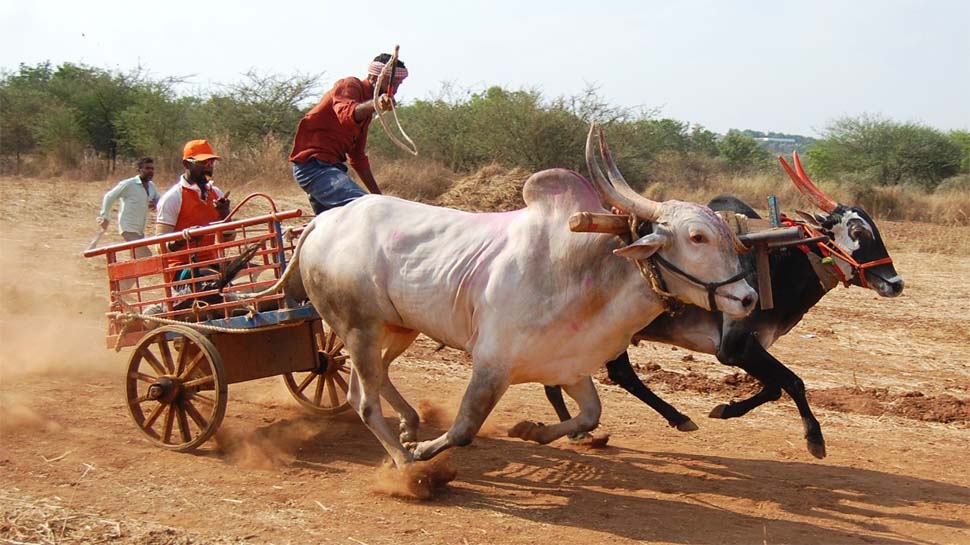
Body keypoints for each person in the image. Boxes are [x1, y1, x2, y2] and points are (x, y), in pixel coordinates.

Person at [289, 52, 408, 214]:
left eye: (398, 85)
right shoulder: (349, 85)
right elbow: (346, 114)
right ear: (374, 77)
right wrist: (375, 104)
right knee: (367, 209)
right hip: (313, 166)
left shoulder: (366, 112)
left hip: (334, 169)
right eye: (391, 83)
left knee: (343, 222)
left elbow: (357, 158)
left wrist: (379, 197)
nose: (394, 91)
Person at [156, 139, 231, 266]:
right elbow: (159, 246)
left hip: (211, 262)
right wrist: (183, 238)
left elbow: (228, 238)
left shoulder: (216, 193)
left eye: (211, 163)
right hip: (181, 266)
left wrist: (225, 215)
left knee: (254, 271)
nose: (208, 167)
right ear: (186, 164)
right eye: (202, 163)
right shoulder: (173, 197)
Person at [97, 157, 159, 258]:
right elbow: (109, 196)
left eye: (152, 169)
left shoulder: (152, 187)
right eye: (147, 168)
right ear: (139, 169)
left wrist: (156, 203)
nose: (150, 171)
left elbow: (159, 201)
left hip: (140, 229)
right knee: (145, 255)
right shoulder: (129, 184)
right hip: (128, 228)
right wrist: (105, 216)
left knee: (137, 257)